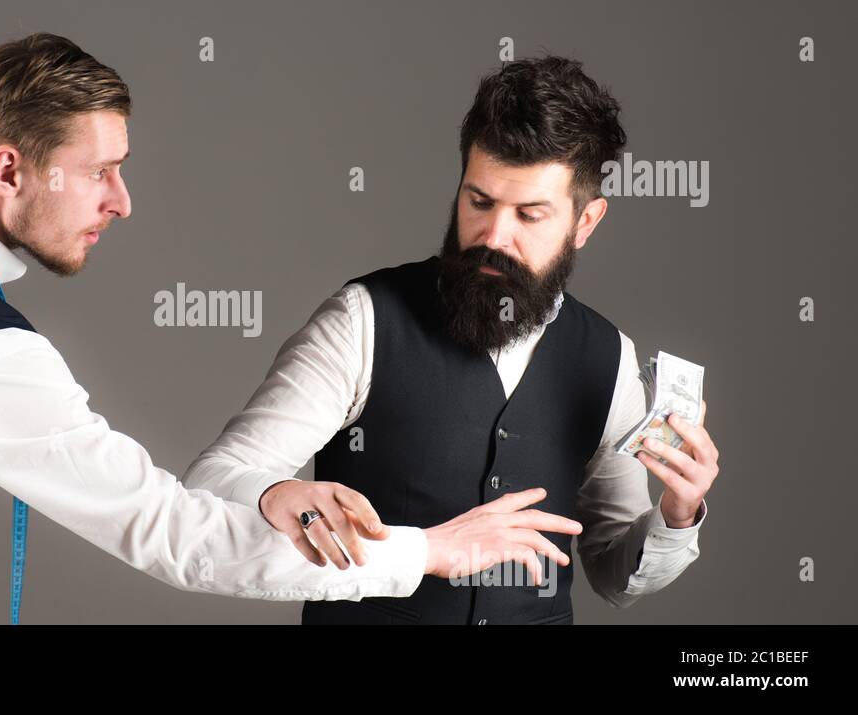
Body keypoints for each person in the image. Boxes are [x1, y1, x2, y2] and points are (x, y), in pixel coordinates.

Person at [0, 33, 540, 624]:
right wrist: (428, 551)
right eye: (99, 173)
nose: (122, 202)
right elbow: (172, 534)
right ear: (9, 169)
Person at [184, 56, 721, 625]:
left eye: (530, 215)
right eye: (479, 202)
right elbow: (213, 482)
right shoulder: (363, 321)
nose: (494, 236)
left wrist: (678, 514)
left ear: (584, 223)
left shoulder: (609, 358)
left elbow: (615, 576)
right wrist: (276, 494)